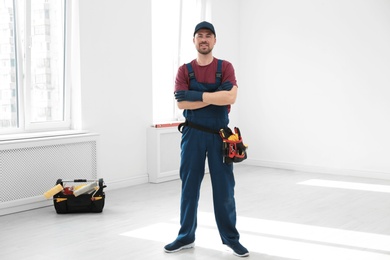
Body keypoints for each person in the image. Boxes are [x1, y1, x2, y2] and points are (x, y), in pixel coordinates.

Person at [164, 21, 249, 258]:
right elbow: (181, 102)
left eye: (208, 35)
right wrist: (215, 96)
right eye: (199, 35)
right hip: (192, 134)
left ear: (214, 40)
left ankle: (231, 239)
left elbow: (231, 96)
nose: (204, 39)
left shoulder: (226, 67)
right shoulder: (184, 70)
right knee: (189, 186)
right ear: (194, 40)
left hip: (220, 136)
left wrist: (197, 95)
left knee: (224, 190)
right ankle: (185, 237)